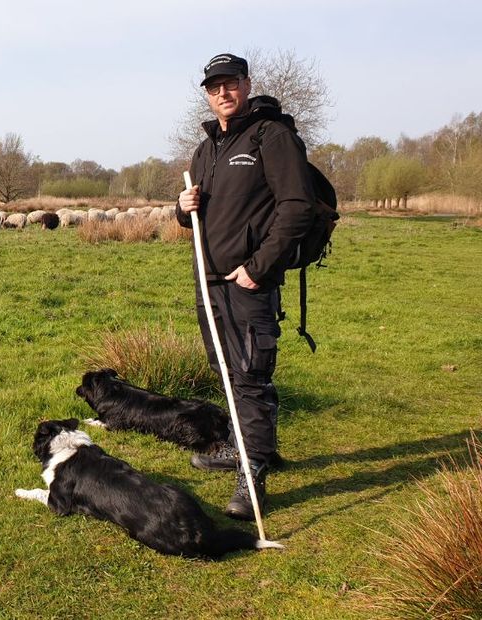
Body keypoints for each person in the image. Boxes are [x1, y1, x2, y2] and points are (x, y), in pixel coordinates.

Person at [175, 53, 316, 521]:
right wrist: (182, 205)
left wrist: (258, 266)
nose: (222, 93)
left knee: (250, 376)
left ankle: (252, 474)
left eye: (230, 83)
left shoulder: (272, 136)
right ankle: (249, 447)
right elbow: (194, 219)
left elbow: (298, 207)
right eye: (213, 86)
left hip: (247, 281)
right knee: (227, 372)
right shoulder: (205, 148)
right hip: (208, 277)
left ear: (246, 83)